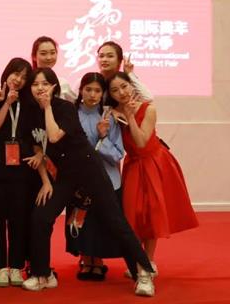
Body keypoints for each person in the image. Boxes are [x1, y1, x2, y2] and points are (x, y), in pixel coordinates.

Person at [22, 68, 156, 297]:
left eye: (45, 84)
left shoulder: (64, 108)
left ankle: (143, 272)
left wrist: (47, 107)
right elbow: (37, 145)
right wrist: (45, 180)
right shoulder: (30, 112)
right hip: (65, 175)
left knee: (115, 221)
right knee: (41, 216)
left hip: (88, 168)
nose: (40, 88)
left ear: (54, 87)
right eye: (35, 84)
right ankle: (43, 274)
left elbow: (53, 136)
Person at [107, 72, 198, 276]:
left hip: (154, 162)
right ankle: (138, 259)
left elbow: (141, 141)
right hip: (133, 165)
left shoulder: (148, 109)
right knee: (132, 213)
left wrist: (130, 117)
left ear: (131, 85)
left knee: (151, 213)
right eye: (114, 90)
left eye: (124, 86)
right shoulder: (112, 113)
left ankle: (148, 261)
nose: (121, 92)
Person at [0, 58, 42, 288]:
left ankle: (16, 265)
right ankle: (1, 267)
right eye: (15, 73)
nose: (18, 79)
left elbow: (36, 137)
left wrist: (39, 154)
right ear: (7, 73)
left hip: (22, 169)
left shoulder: (30, 104)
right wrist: (6, 103)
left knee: (19, 218)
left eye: (24, 77)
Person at [65, 72, 125, 281]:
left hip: (106, 179)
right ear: (80, 91)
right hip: (78, 180)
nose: (92, 94)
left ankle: (98, 261)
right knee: (81, 221)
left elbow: (117, 154)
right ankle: (85, 259)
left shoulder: (110, 118)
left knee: (101, 222)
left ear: (103, 93)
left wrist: (102, 137)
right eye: (88, 89)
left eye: (97, 90)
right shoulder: (71, 115)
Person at [30, 36, 77, 101]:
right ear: (34, 56)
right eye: (43, 53)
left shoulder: (62, 83)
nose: (49, 57)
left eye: (52, 53)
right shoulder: (27, 81)